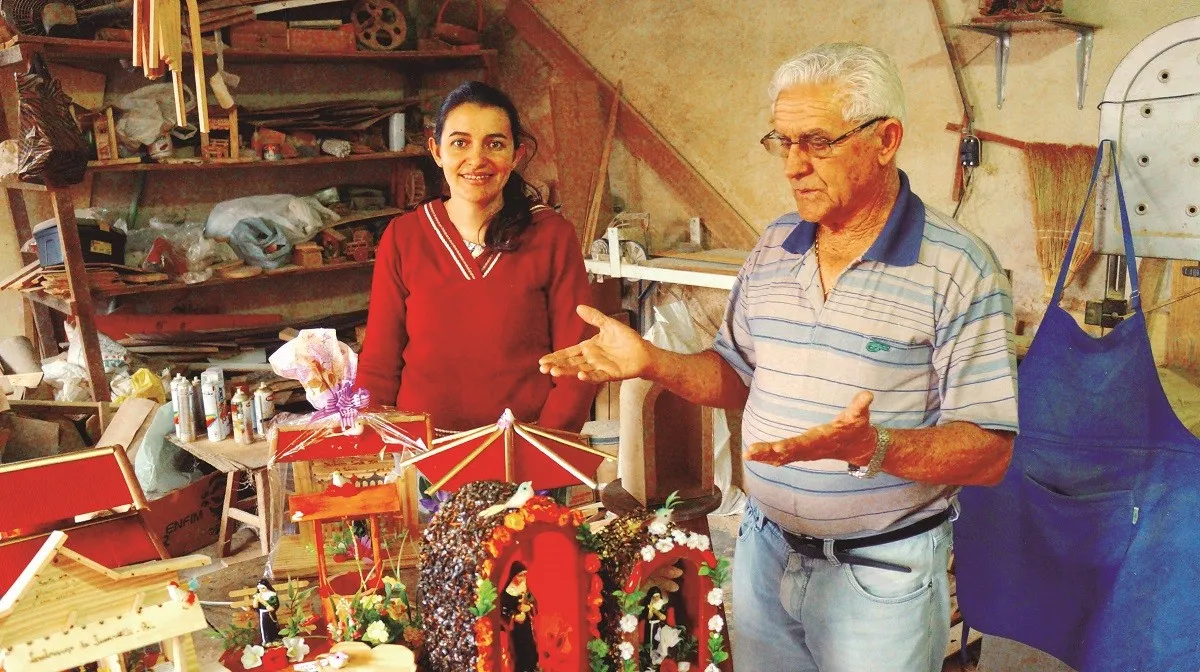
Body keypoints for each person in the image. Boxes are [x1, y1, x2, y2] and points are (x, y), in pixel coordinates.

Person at [539, 43, 1018, 671]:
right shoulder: (773, 247)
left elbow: (989, 450)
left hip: (878, 575)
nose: (794, 165)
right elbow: (736, 376)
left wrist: (871, 449)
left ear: (886, 139)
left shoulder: (958, 267)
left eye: (817, 141)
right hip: (764, 554)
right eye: (782, 142)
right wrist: (652, 361)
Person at [357, 81, 595, 434]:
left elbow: (577, 363)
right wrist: (379, 441)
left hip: (526, 448)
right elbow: (379, 363)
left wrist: (547, 447)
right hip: (424, 451)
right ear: (437, 152)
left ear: (516, 155)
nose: (477, 159)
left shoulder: (551, 234)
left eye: (495, 144)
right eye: (460, 143)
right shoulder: (404, 236)